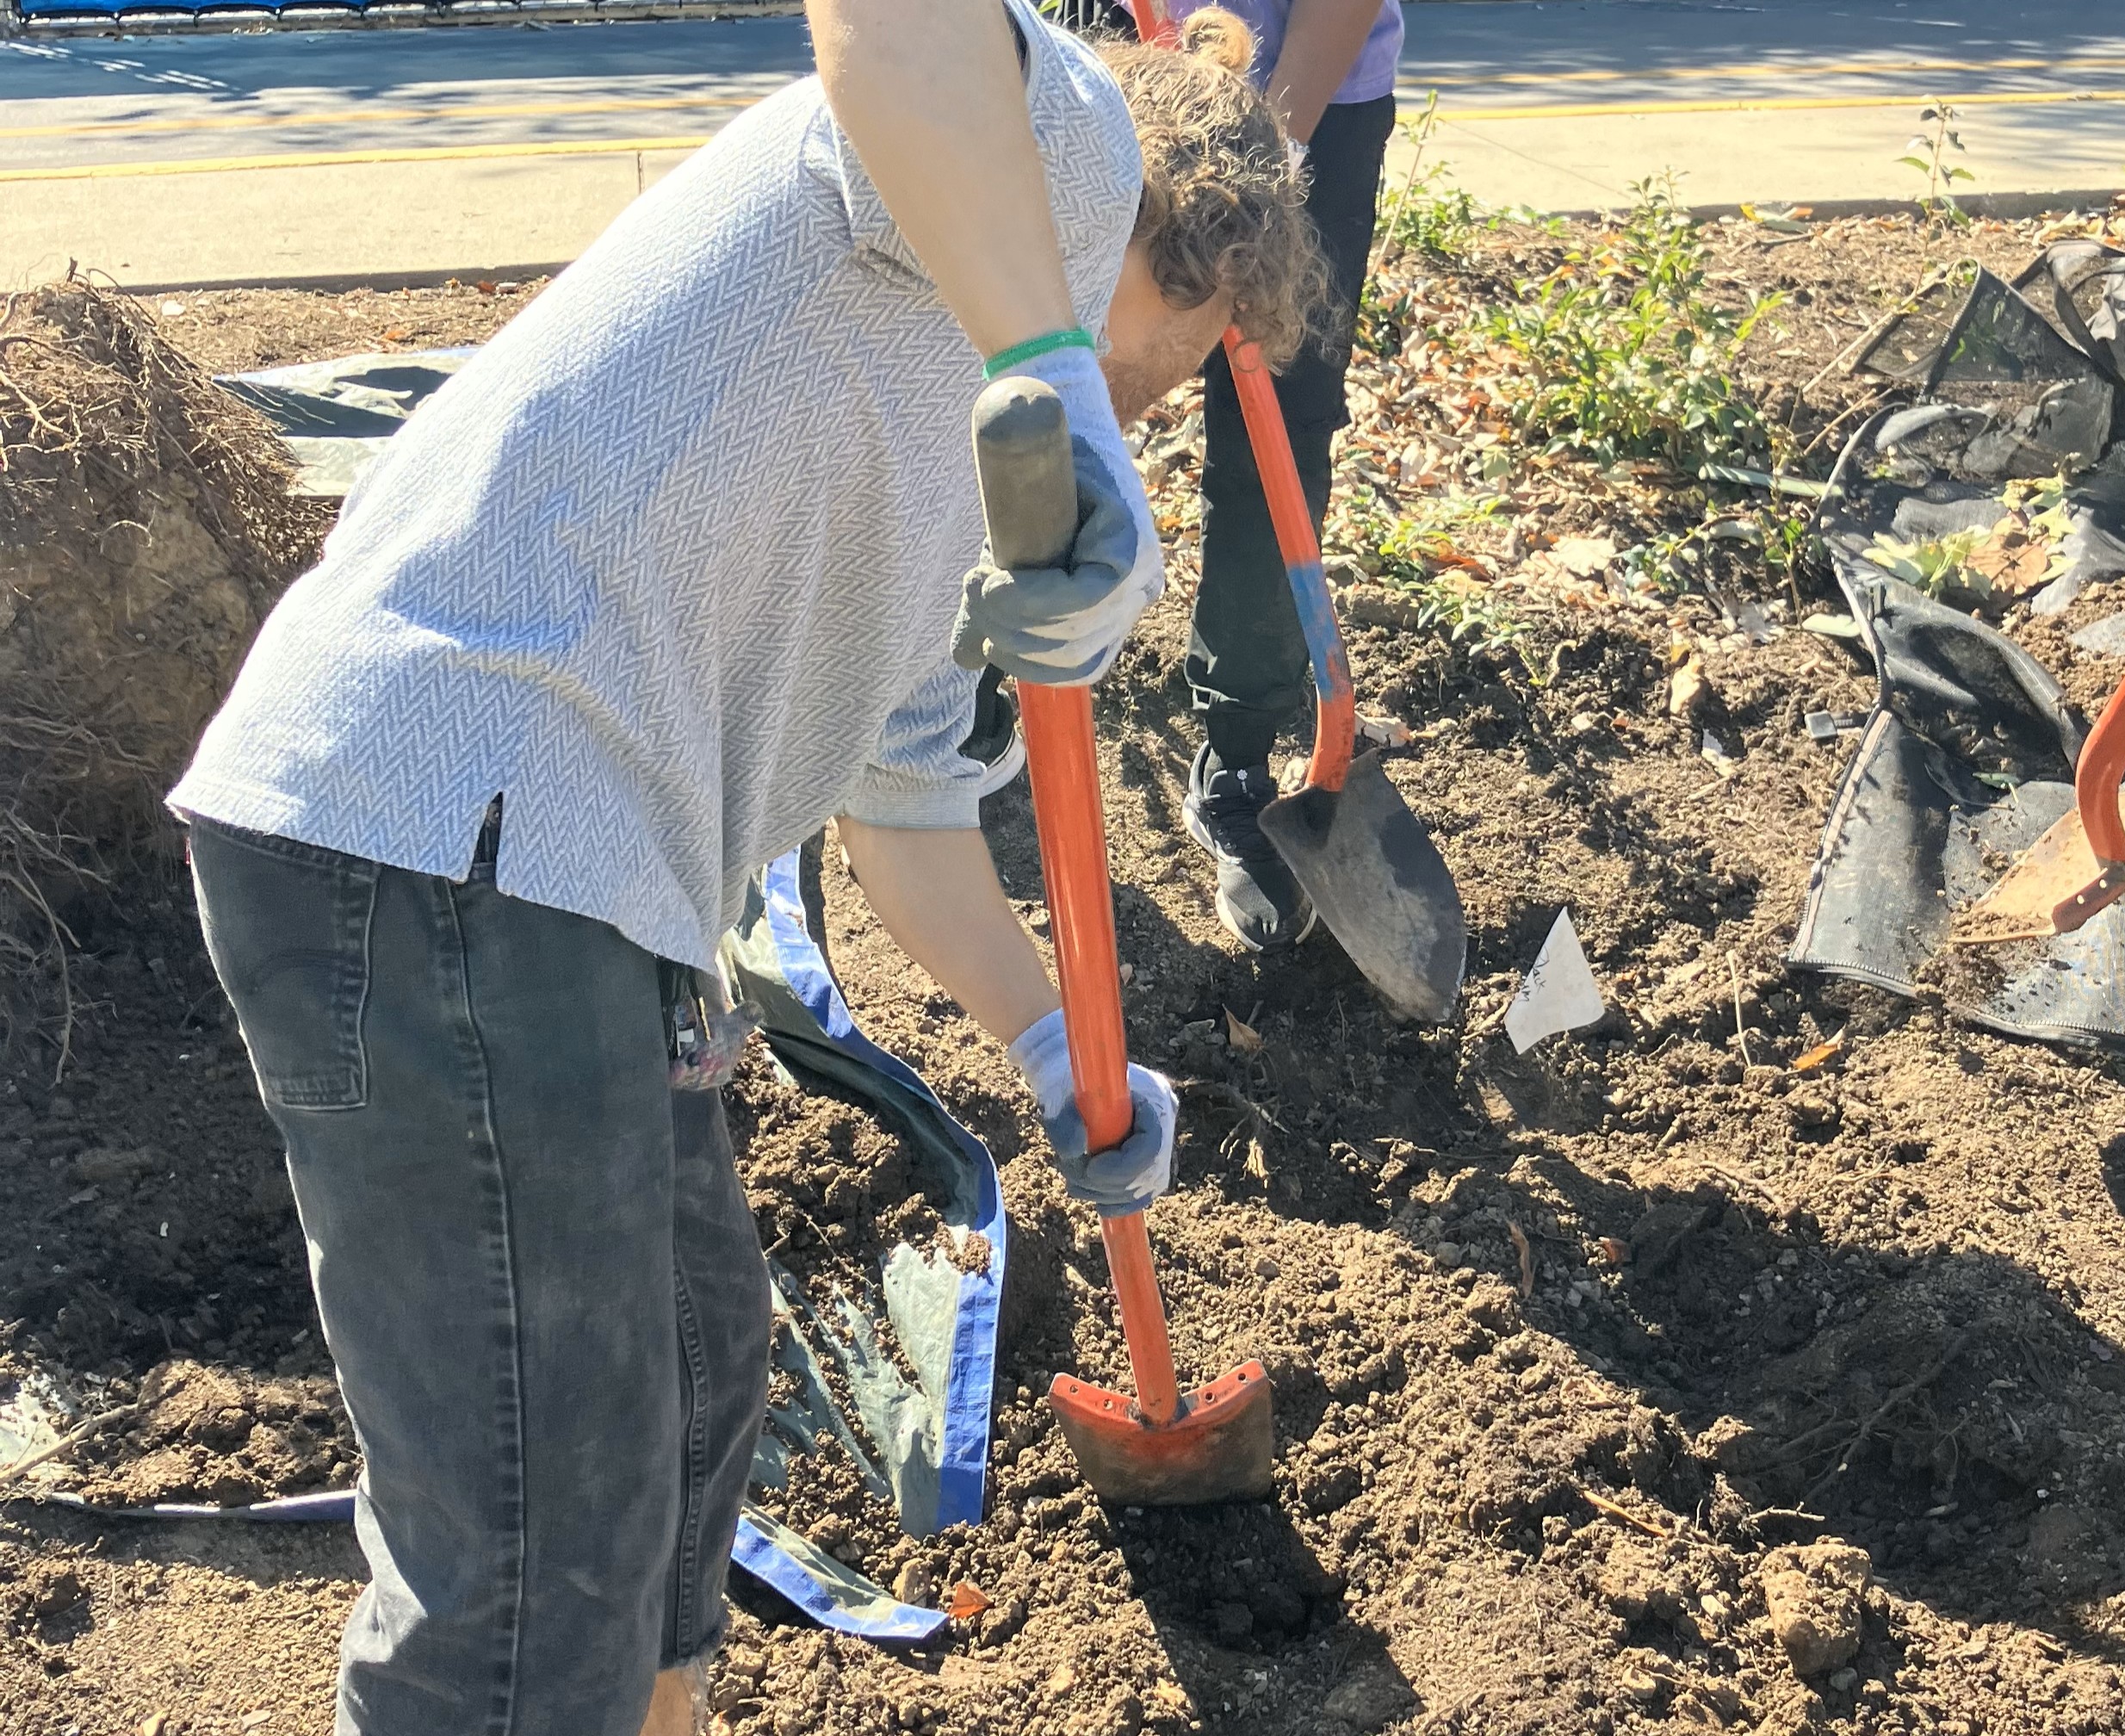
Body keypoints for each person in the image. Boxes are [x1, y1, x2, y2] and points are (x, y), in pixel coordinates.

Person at [167, 6, 1316, 1732]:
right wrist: (1051, 358)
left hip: (577, 888)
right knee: (533, 1544)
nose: (1150, 410)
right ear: (1168, 230)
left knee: (700, 1381)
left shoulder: (985, 493)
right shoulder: (1052, 156)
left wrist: (1050, 1043)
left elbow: (907, 820)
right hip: (451, 817)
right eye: (1169, 355)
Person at [1180, 0, 1402, 951]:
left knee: (1276, 433)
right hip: (1103, 68)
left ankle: (1236, 756)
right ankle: (976, 702)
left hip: (1304, 98)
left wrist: (1258, 171)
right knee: (1039, 388)